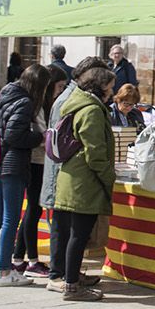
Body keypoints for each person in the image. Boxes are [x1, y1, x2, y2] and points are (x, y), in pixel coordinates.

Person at [0, 65, 50, 288]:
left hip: (0, 162)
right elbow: (14, 135)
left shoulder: (7, 96)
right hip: (14, 164)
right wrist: (40, 137)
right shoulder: (25, 102)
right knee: (10, 220)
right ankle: (5, 272)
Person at [42, 57, 108, 288]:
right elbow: (65, 142)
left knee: (71, 231)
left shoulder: (76, 97)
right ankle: (58, 275)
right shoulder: (72, 99)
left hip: (68, 174)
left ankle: (69, 272)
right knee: (64, 229)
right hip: (65, 174)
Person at [54, 65, 117, 303]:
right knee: (79, 235)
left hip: (75, 178)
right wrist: (109, 177)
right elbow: (95, 153)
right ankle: (71, 285)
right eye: (109, 87)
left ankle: (72, 276)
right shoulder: (91, 110)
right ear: (99, 87)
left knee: (76, 234)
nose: (111, 92)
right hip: (83, 182)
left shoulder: (80, 104)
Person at [15, 64, 68, 277]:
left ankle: (19, 258)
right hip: (36, 161)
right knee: (34, 210)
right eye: (59, 86)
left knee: (33, 210)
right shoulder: (36, 106)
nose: (60, 91)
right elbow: (42, 134)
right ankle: (32, 261)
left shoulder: (45, 104)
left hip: (40, 160)